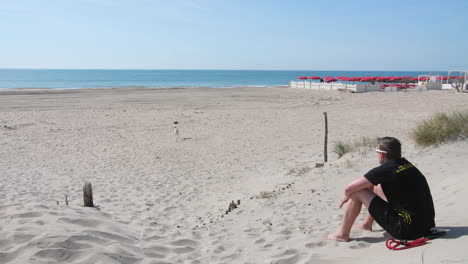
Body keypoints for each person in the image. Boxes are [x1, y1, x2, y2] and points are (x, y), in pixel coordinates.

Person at [328, 137, 435, 242]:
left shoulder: (385, 170)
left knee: (357, 192)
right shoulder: (406, 164)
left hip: (406, 231)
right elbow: (368, 184)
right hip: (426, 227)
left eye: (377, 151)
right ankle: (366, 224)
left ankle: (342, 234)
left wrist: (347, 196)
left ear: (382, 154)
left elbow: (349, 188)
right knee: (377, 186)